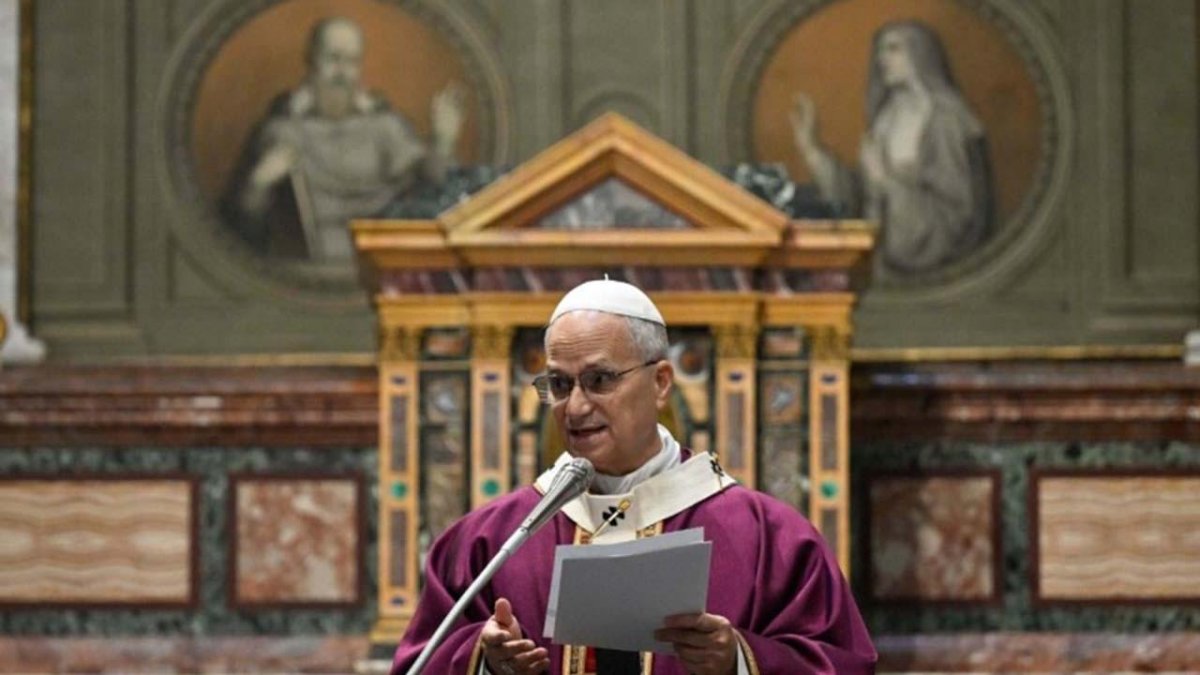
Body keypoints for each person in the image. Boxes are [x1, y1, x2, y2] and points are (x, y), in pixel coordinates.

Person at [390, 279, 876, 674]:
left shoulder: (770, 538)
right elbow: (419, 662)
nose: (576, 407)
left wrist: (739, 661)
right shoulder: (489, 541)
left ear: (661, 382)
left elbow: (842, 663)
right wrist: (484, 661)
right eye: (559, 384)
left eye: (600, 380)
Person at [221, 16, 465, 263]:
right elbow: (240, 227)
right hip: (311, 270)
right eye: (333, 58)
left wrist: (443, 140)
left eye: (351, 61)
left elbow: (439, 186)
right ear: (312, 61)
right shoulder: (282, 131)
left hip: (383, 259)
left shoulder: (385, 127)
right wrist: (258, 185)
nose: (342, 73)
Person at [790, 20, 992, 277]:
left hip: (928, 267)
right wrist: (810, 148)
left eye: (893, 49)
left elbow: (958, 216)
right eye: (880, 50)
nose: (881, 58)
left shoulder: (947, 118)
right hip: (880, 266)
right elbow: (859, 197)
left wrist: (888, 183)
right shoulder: (886, 117)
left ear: (920, 54)